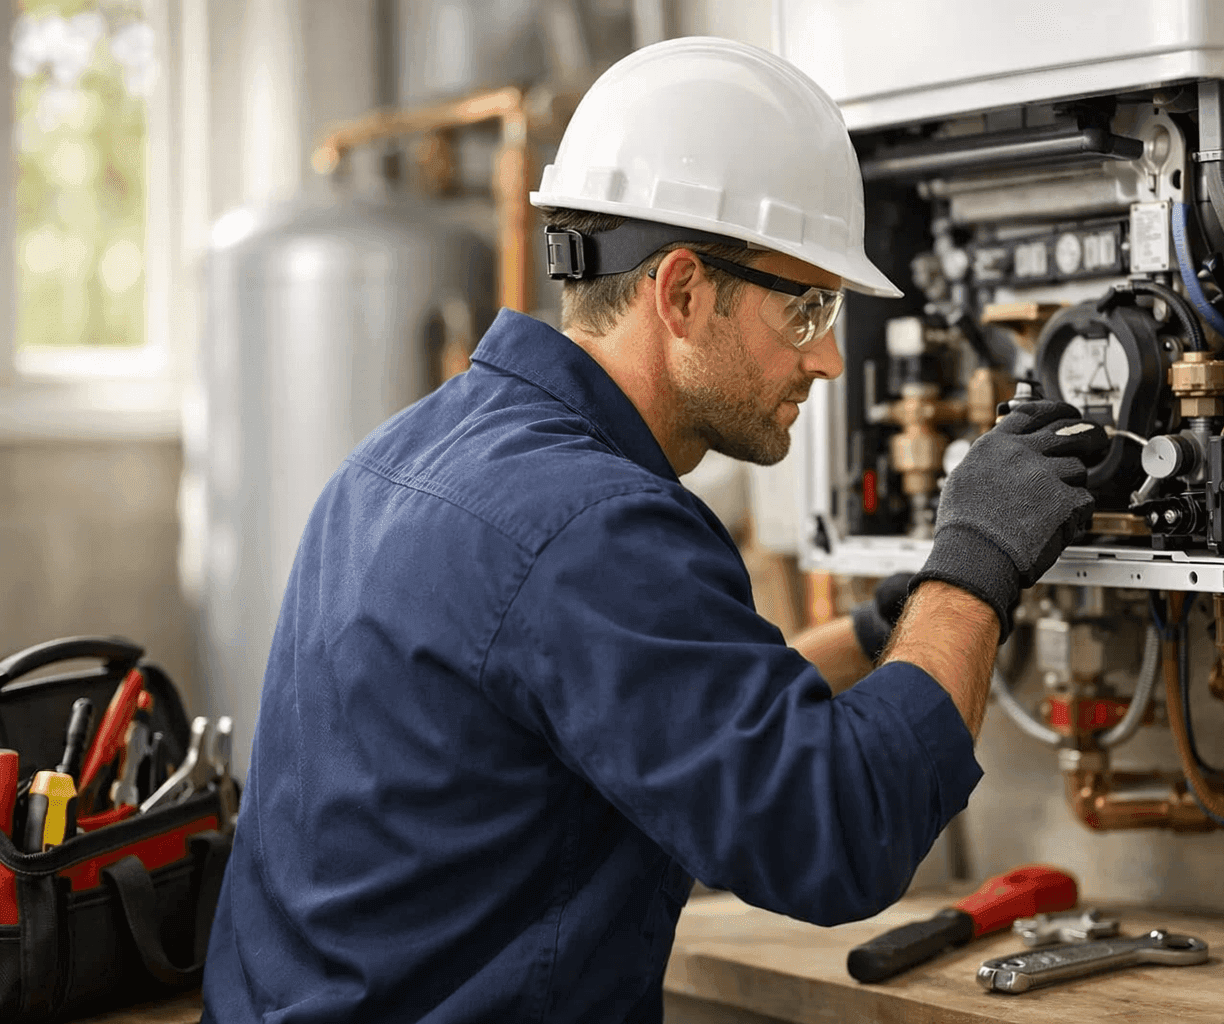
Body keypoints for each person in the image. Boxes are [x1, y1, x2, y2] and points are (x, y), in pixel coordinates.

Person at [201, 36, 1106, 1024]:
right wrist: (975, 565)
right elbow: (839, 829)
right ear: (680, 292)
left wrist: (883, 636)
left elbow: (636, 711)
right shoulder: (598, 527)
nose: (830, 360)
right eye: (807, 308)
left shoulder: (400, 459)